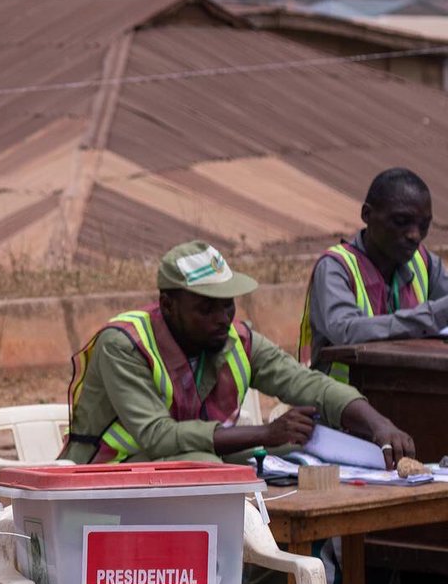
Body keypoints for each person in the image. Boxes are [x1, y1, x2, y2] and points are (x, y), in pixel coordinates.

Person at [60, 240, 415, 466]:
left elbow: (309, 384)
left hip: (181, 462)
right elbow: (160, 437)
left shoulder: (235, 339)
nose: (222, 320)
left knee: (301, 458)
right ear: (168, 305)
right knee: (206, 470)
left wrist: (378, 424)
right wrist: (265, 433)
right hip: (105, 476)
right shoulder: (125, 344)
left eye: (227, 306)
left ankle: (270, 579)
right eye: (206, 309)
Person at [299, 168, 448, 379]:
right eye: (400, 222)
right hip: (342, 403)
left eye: (423, 226)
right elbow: (346, 332)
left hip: (408, 394)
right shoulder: (335, 267)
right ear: (367, 215)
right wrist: (432, 316)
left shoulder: (423, 262)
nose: (415, 235)